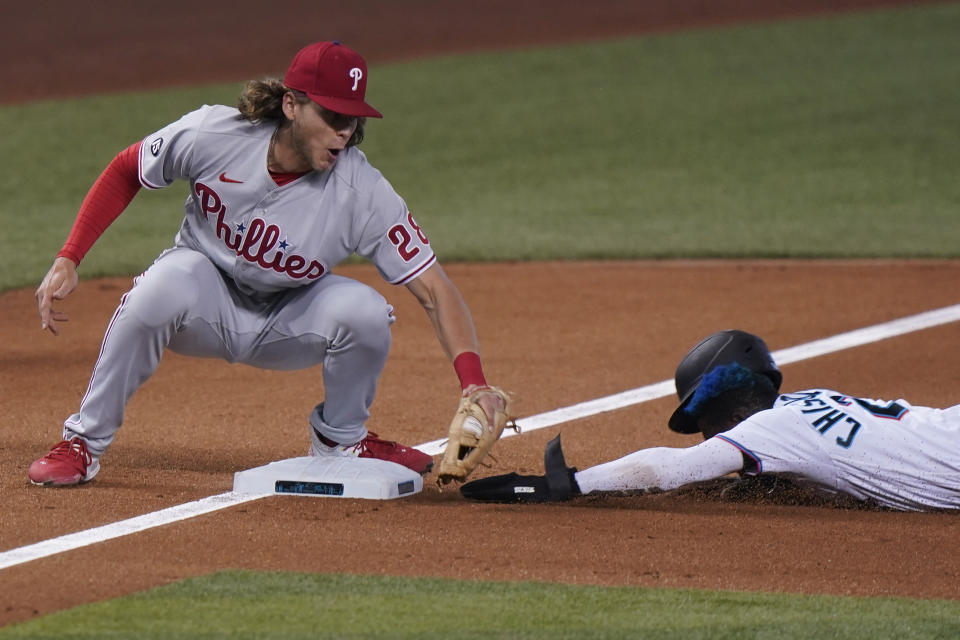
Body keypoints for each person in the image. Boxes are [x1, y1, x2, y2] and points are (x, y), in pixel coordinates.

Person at [30, 41, 505, 486]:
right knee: (159, 287)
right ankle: (83, 443)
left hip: (287, 320)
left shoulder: (363, 192)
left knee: (366, 311)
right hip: (203, 300)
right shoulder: (213, 134)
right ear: (292, 105)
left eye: (353, 118)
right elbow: (127, 168)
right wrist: (69, 257)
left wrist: (474, 384)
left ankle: (341, 442)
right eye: (332, 113)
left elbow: (435, 290)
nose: (344, 130)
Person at [461, 330, 960, 512]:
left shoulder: (770, 429)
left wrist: (565, 484)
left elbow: (670, 469)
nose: (707, 434)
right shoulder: (808, 402)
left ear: (732, 409)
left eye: (706, 419)